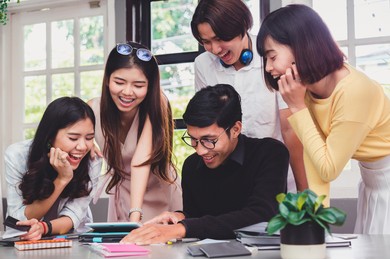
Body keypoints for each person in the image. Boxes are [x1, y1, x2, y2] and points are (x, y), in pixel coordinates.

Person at [257, 4, 390, 234]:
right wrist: (315, 224)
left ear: (300, 47)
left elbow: (329, 168)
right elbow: (314, 158)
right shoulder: (307, 90)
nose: (268, 67)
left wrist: (297, 107)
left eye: (272, 56)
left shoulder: (354, 91)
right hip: (371, 183)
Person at [120, 84, 289, 244]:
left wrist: (182, 228)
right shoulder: (192, 166)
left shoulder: (270, 153)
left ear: (236, 129)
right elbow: (198, 217)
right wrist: (180, 217)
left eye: (209, 140)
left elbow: (261, 214)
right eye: (193, 140)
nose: (200, 151)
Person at [190, 0, 307, 192]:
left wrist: (304, 193)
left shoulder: (272, 59)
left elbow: (290, 130)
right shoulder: (203, 64)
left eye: (220, 38)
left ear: (242, 25)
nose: (215, 49)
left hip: (275, 175)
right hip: (229, 179)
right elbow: (206, 126)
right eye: (206, 42)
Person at [88, 41, 182, 225]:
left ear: (150, 86)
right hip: (122, 193)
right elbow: (68, 132)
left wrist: (134, 217)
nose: (127, 92)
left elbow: (140, 162)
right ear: (107, 79)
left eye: (138, 85)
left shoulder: (158, 104)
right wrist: (87, 142)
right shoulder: (93, 109)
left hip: (158, 191)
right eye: (119, 82)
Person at [4, 97, 103, 240]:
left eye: (89, 138)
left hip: (73, 239)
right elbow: (19, 220)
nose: (82, 147)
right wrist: (61, 179)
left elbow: (73, 215)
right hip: (24, 241)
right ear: (50, 136)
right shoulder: (17, 155)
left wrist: (43, 227)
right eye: (73, 138)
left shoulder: (93, 161)